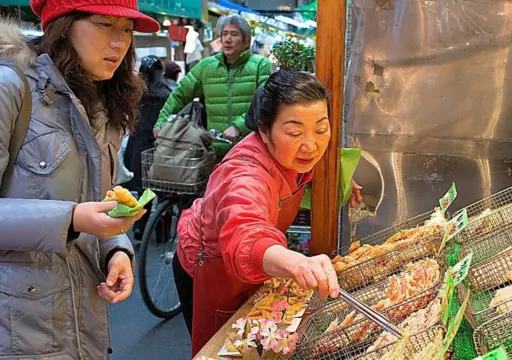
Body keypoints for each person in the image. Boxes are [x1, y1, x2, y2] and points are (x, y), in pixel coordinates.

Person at [0, 0, 158, 358]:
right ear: (63, 24)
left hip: (81, 317)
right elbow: (77, 212)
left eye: (127, 30)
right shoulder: (10, 88)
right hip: (16, 327)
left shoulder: (101, 102)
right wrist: (70, 219)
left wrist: (116, 249)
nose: (119, 43)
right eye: (105, 25)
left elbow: (97, 198)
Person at [172, 71, 363, 356]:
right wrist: (296, 263)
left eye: (321, 130)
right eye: (295, 133)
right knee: (225, 348)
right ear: (263, 130)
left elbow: (310, 168)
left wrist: (342, 182)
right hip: (210, 264)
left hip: (254, 263)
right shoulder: (245, 172)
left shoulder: (291, 154)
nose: (310, 146)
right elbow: (245, 231)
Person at [154, 14, 272, 158]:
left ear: (247, 41)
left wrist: (239, 126)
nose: (228, 39)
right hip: (215, 150)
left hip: (250, 149)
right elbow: (180, 95)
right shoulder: (206, 66)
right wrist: (162, 121)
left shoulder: (260, 64)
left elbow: (265, 101)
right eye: (224, 34)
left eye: (234, 34)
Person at [124, 55, 171, 239]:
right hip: (160, 146)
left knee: (144, 190)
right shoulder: (165, 92)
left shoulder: (135, 91)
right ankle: (161, 232)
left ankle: (140, 227)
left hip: (138, 146)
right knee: (164, 191)